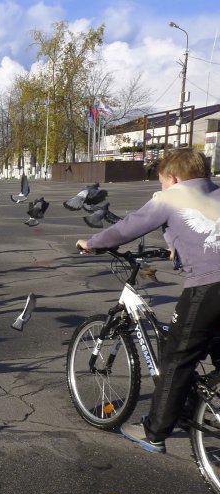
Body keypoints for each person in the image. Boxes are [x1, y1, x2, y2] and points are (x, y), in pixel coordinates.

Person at [76, 148, 220, 454]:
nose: (162, 189)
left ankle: (154, 432)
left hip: (209, 286)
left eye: (162, 182)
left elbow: (129, 226)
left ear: (173, 177)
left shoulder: (172, 196)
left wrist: (92, 243)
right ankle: (201, 402)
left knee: (176, 358)